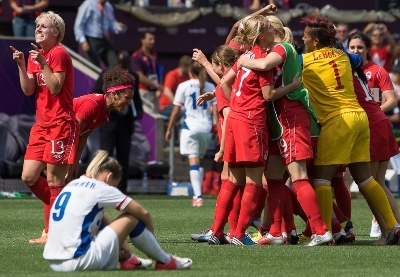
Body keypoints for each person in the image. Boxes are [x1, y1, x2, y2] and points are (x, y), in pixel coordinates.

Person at [300, 14, 400, 245]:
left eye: (305, 37)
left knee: (322, 179)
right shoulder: (343, 55)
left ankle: (323, 233)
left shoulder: (306, 60)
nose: (303, 40)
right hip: (359, 117)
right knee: (365, 179)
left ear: (315, 41)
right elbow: (356, 59)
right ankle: (392, 225)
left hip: (337, 120)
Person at [236, 15, 332, 246]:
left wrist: (241, 61)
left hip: (291, 118)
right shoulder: (276, 50)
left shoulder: (282, 47)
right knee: (274, 178)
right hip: (281, 121)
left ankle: (321, 230)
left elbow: (263, 65)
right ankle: (277, 232)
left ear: (272, 31)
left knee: (299, 177)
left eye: (267, 27)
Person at [43, 150, 193, 271]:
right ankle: (165, 261)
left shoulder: (73, 184)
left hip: (54, 263)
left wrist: (121, 245)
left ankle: (128, 259)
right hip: (79, 261)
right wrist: (152, 239)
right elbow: (143, 213)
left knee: (99, 217)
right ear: (109, 177)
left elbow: (100, 217)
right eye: (114, 185)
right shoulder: (101, 188)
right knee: (131, 218)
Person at [10, 11, 79, 243]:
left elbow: (56, 86)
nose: (38, 28)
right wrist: (22, 64)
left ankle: (52, 232)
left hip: (60, 124)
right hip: (41, 125)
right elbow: (29, 89)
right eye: (37, 25)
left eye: (44, 26)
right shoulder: (34, 55)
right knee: (28, 176)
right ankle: (57, 204)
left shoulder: (58, 53)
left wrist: (42, 63)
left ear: (56, 32)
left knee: (54, 181)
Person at [348, 31, 400, 245]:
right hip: (363, 128)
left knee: (370, 182)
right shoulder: (348, 69)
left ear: (368, 49)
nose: (355, 51)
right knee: (376, 183)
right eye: (351, 48)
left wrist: (372, 109)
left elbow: (392, 100)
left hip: (374, 127)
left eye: (360, 47)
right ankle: (394, 227)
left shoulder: (377, 71)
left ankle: (389, 229)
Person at [165, 60, 217, 207]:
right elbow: (216, 111)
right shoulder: (210, 86)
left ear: (189, 71)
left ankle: (198, 196)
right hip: (206, 128)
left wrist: (169, 128)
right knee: (199, 160)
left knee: (193, 160)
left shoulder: (183, 86)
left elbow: (176, 110)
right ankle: (197, 194)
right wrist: (218, 129)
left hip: (191, 127)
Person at [92, 51, 143, 194]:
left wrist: (139, 111)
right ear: (116, 62)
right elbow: (96, 94)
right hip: (109, 122)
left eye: (125, 63)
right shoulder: (107, 75)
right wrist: (111, 106)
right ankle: (101, 187)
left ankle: (121, 190)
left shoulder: (134, 77)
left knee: (123, 158)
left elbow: (136, 98)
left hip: (125, 124)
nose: (122, 66)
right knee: (105, 156)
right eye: (120, 63)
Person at [74, 0, 127, 68]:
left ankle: (108, 78)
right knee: (93, 68)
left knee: (115, 64)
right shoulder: (88, 4)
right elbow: (78, 25)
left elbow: (111, 23)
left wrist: (118, 26)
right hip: (91, 40)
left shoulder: (108, 7)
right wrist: (82, 41)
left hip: (103, 39)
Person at [131, 31, 162, 110]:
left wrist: (158, 88)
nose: (153, 41)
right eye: (150, 39)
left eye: (153, 39)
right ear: (143, 40)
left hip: (155, 92)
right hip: (143, 91)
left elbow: (157, 72)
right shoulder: (137, 56)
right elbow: (140, 76)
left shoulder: (154, 55)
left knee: (155, 117)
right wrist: (156, 85)